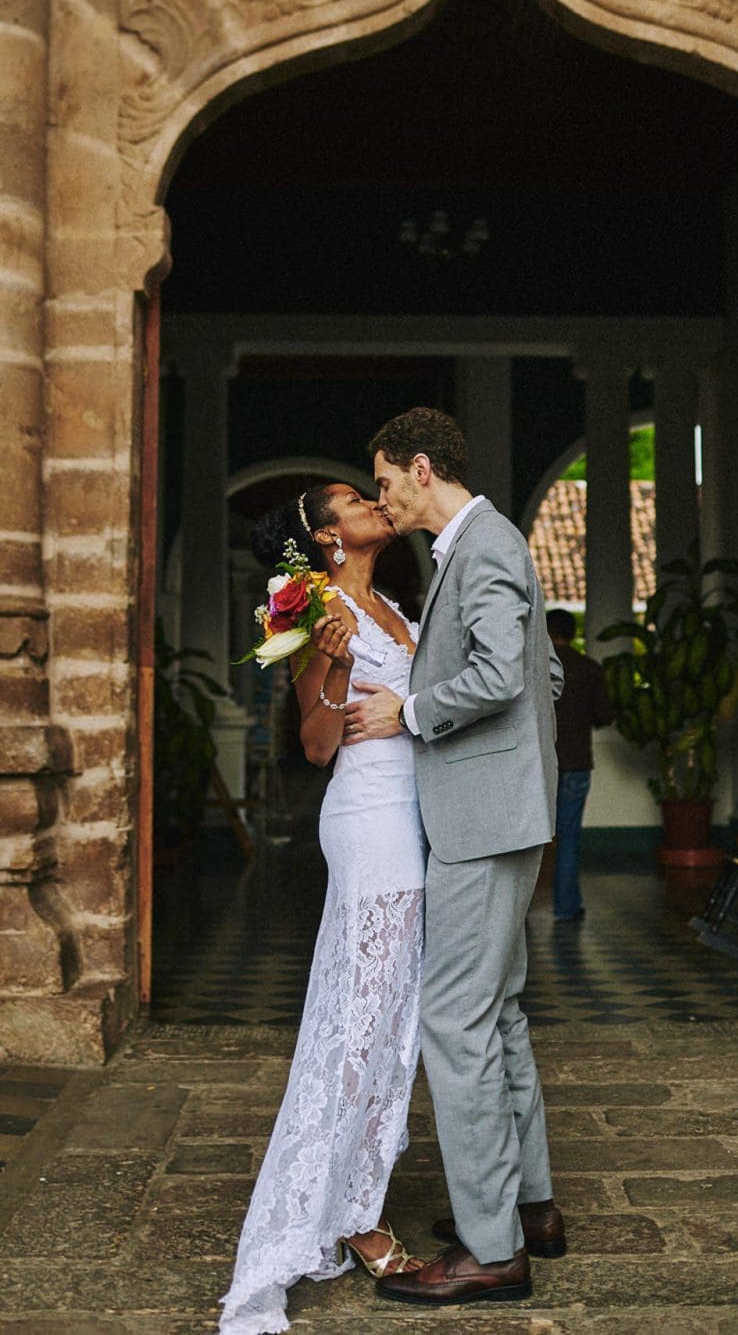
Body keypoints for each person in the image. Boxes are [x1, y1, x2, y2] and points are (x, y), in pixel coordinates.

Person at [341, 407, 567, 1307]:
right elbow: (541, 675)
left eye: (387, 481)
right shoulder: (480, 546)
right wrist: (524, 776)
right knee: (499, 1010)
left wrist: (411, 713)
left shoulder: (485, 546)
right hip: (501, 810)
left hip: (481, 823)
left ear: (422, 469)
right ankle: (529, 1208)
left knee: (454, 1021)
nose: (383, 499)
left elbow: (505, 676)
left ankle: (489, 1249)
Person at [219, 483, 426, 1335]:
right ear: (327, 537)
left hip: (421, 818)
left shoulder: (393, 601)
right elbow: (312, 745)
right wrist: (338, 663)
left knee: (396, 1018)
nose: (373, 501)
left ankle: (356, 1193)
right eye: (352, 499)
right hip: (372, 821)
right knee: (362, 1020)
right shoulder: (317, 612)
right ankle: (339, 1212)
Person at [546, 608, 615, 923]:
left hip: (539, 765)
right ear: (573, 634)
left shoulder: (533, 670)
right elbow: (604, 716)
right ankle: (566, 907)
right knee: (569, 836)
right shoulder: (589, 669)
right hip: (576, 762)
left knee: (529, 840)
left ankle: (519, 914)